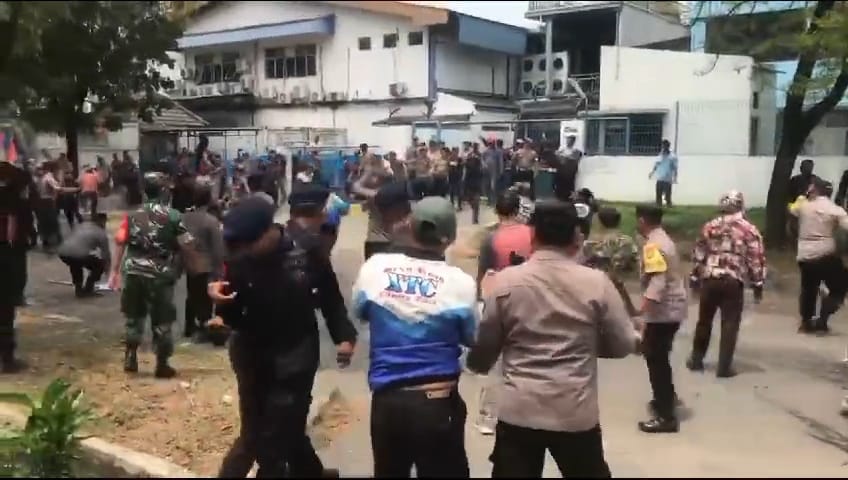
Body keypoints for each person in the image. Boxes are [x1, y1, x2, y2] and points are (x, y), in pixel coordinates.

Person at [468, 199, 639, 478]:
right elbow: (622, 343)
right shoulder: (597, 283)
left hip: (519, 411)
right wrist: (586, 345)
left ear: (533, 235)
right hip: (574, 412)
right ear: (576, 236)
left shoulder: (506, 282)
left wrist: (476, 365)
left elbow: (486, 344)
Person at [212, 194, 356, 478]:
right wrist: (220, 310)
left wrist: (344, 337)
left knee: (273, 436)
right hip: (251, 354)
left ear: (268, 231)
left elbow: (331, 299)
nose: (245, 251)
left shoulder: (308, 251)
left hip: (296, 354)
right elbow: (228, 307)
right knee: (267, 429)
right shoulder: (239, 256)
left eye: (250, 244)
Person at [351, 196, 474, 478]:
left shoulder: (375, 267)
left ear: (410, 227)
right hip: (437, 402)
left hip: (387, 402)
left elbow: (360, 311)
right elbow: (471, 337)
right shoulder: (460, 284)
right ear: (450, 237)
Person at [108, 172, 200, 378]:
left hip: (133, 271)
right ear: (164, 191)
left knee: (133, 316)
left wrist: (114, 271)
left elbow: (120, 241)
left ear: (144, 191)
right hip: (160, 275)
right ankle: (162, 364)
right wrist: (193, 266)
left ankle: (130, 356)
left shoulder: (131, 216)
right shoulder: (174, 216)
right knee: (162, 320)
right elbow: (187, 245)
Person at [474, 190, 534, 435]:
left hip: (499, 299)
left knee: (495, 361)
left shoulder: (492, 239)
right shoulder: (533, 234)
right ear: (517, 210)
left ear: (497, 211)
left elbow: (484, 273)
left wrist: (479, 299)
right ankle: (524, 413)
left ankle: (489, 418)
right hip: (530, 299)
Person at [687, 190, 765, 378]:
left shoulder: (710, 227)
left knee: (704, 320)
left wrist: (695, 277)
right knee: (730, 322)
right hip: (733, 280)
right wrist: (758, 283)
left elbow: (699, 254)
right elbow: (756, 258)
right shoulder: (749, 230)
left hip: (710, 277)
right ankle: (724, 367)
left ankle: (696, 359)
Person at [634, 204, 688, 433]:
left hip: (664, 312)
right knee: (659, 356)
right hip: (673, 308)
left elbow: (658, 281)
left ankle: (666, 416)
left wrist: (642, 312)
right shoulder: (663, 239)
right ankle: (666, 398)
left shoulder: (653, 245)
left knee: (656, 360)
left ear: (642, 221)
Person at [789, 177, 848, 334]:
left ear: (814, 190)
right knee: (840, 287)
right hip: (825, 253)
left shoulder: (803, 205)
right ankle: (823, 318)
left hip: (804, 255)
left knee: (808, 288)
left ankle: (806, 322)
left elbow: (792, 211)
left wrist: (804, 197)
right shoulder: (834, 209)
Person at [0, 153, 32, 372]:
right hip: (8, 264)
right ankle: (7, 358)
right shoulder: (20, 207)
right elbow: (23, 241)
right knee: (5, 312)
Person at [181, 185, 225, 342]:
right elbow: (218, 247)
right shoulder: (211, 221)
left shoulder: (185, 217)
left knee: (191, 294)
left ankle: (188, 325)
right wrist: (219, 268)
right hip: (206, 264)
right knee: (205, 298)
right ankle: (204, 328)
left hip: (189, 262)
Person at [583, 207, 640, 316]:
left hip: (596, 283)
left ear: (599, 222)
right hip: (617, 280)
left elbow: (585, 262)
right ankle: (630, 309)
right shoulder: (626, 240)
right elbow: (632, 262)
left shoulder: (591, 243)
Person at [58, 213, 111, 298]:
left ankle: (79, 290)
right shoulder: (101, 233)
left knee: (75, 264)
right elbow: (106, 255)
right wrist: (107, 269)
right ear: (102, 221)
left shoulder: (82, 225)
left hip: (63, 252)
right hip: (76, 253)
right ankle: (88, 288)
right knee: (98, 265)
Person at [351, 157, 393, 260]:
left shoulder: (379, 194)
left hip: (380, 239)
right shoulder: (391, 192)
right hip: (387, 238)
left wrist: (368, 172)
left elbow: (356, 187)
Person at [649, 140, 678, 207]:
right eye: (663, 146)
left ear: (668, 146)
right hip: (660, 177)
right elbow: (656, 165)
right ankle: (659, 205)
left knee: (667, 195)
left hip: (667, 178)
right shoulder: (660, 155)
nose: (664, 147)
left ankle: (669, 205)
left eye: (665, 146)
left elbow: (675, 168)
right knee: (658, 193)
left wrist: (675, 177)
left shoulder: (672, 157)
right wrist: (652, 172)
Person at [463, 143, 484, 224]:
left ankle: (475, 219)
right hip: (469, 183)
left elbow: (482, 169)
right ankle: (474, 211)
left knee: (476, 202)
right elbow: (465, 166)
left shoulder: (479, 157)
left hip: (476, 184)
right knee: (470, 200)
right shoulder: (469, 156)